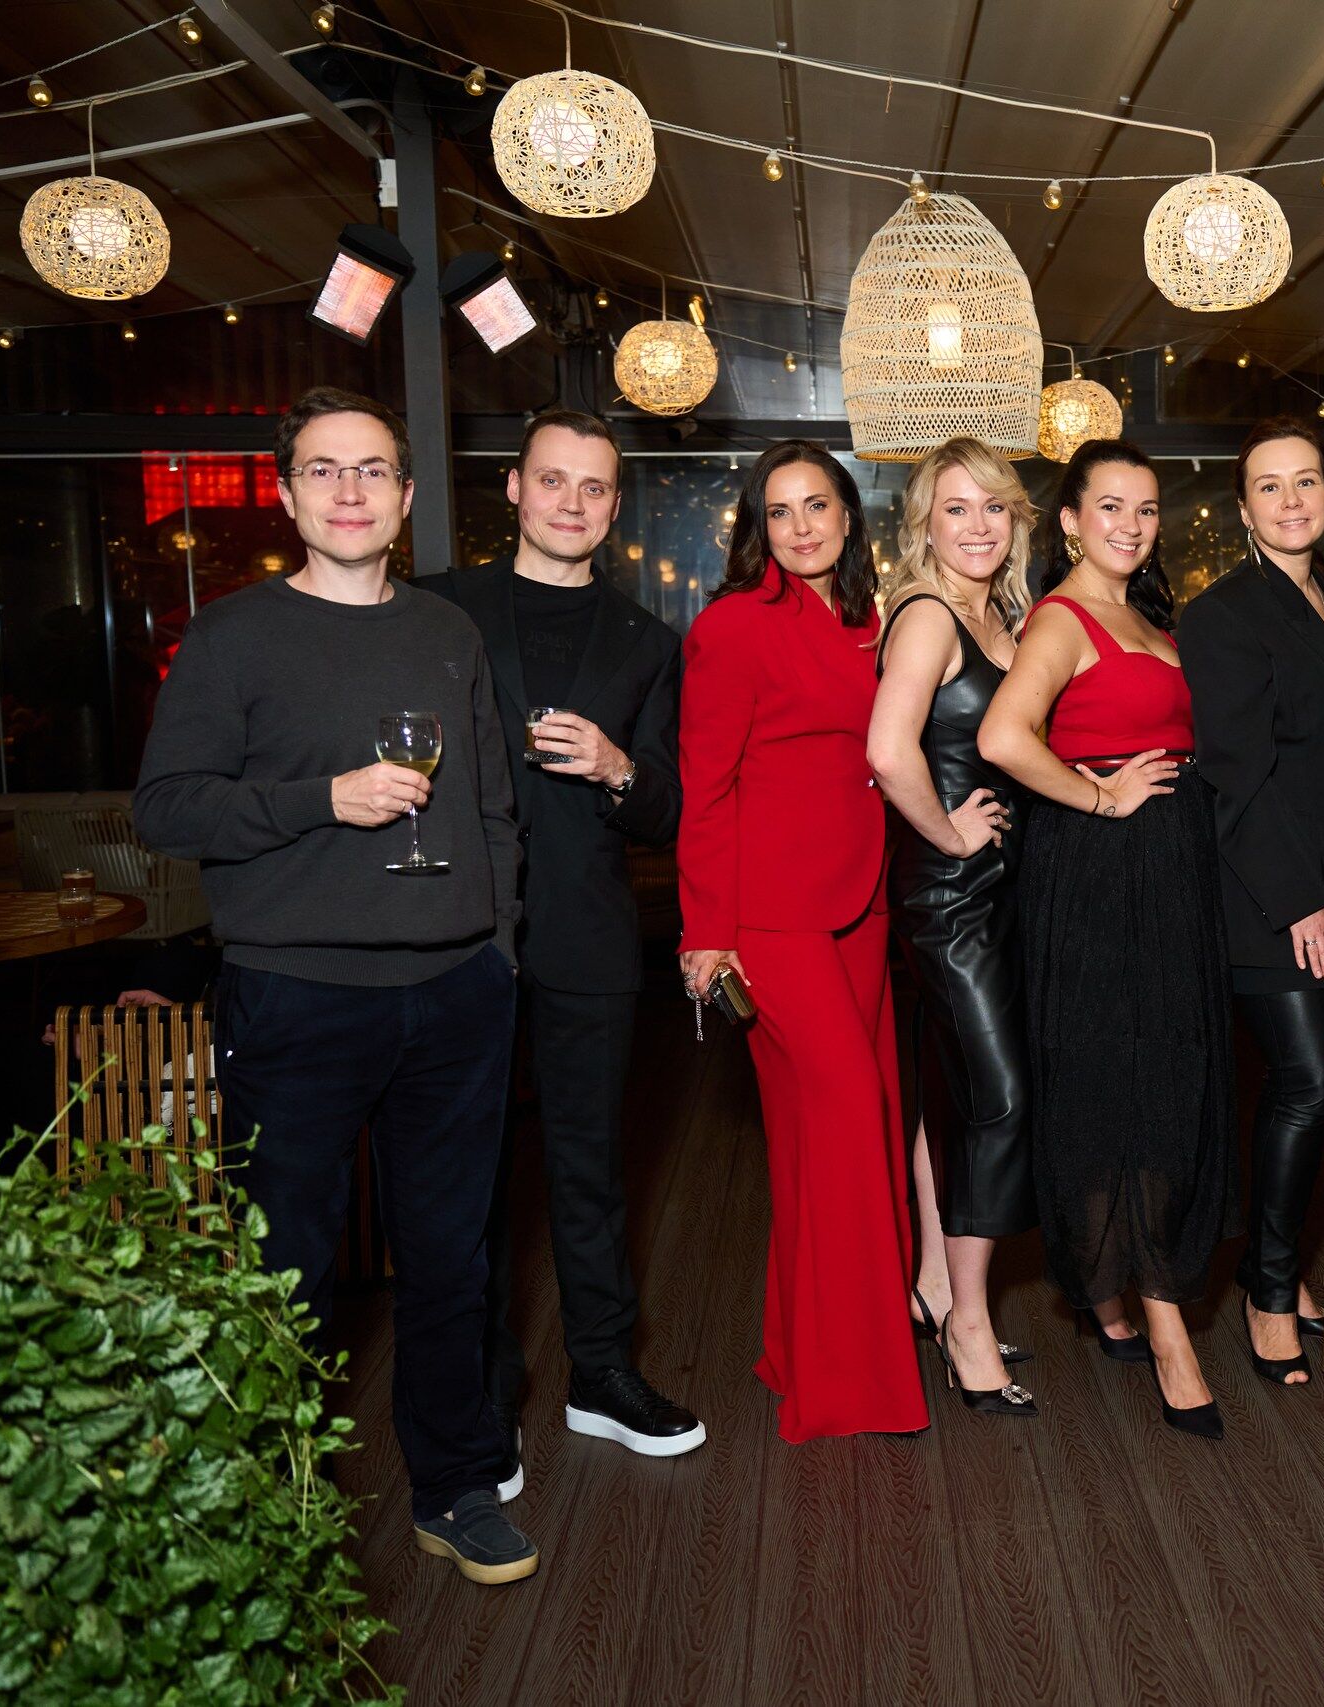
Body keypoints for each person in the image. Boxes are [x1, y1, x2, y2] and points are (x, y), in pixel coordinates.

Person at [134, 386, 536, 1584]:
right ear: (286, 494)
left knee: (452, 1262)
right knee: (288, 1269)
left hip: (457, 994)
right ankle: (273, 1510)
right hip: (296, 998)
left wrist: (498, 947)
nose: (349, 491)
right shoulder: (232, 637)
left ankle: (455, 1488)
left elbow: (493, 809)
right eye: (323, 470)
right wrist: (323, 800)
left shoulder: (446, 633)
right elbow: (170, 809)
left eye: (371, 472)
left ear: (406, 500)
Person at [418, 409, 703, 1478]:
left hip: (587, 936)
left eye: (592, 487)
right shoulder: (438, 608)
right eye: (552, 480)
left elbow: (670, 806)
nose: (571, 502)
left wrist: (619, 767)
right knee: (471, 1175)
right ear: (514, 489)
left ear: (615, 506)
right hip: (459, 931)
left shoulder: (647, 641)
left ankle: (602, 1374)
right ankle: (482, 1393)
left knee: (590, 1171)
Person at [978, 439, 1236, 1439]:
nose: (1131, 525)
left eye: (1147, 508)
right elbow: (1004, 736)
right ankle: (1165, 1331)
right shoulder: (1062, 617)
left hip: (1171, 873)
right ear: (1071, 522)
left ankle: (1114, 1290)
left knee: (1166, 1075)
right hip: (1100, 873)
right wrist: (1097, 796)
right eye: (1111, 507)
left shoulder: (1150, 619)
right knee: (1121, 1087)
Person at [678, 440, 923, 1442]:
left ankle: (799, 1349)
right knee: (847, 1120)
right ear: (758, 530)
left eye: (816, 505)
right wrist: (706, 933)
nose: (801, 527)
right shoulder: (734, 626)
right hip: (771, 919)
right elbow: (705, 786)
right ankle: (851, 1381)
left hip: (862, 905)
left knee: (839, 1134)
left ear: (848, 515)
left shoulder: (872, 620)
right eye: (778, 512)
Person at [1181, 416, 1324, 1387]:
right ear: (1244, 507)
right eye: (1269, 485)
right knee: (1306, 1081)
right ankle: (1266, 1290)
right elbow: (1235, 775)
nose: (1290, 500)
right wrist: (1300, 901)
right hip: (1266, 892)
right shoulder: (1222, 614)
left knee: (1314, 1086)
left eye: (1304, 482)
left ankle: (1284, 1265)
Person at [867, 438, 1039, 1418]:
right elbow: (889, 751)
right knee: (998, 1099)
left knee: (953, 1094)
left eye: (994, 507)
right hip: (948, 895)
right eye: (957, 508)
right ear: (925, 524)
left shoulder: (1002, 612)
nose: (978, 526)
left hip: (1006, 891)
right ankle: (970, 1321)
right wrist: (951, 834)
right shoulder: (929, 613)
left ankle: (936, 1285)